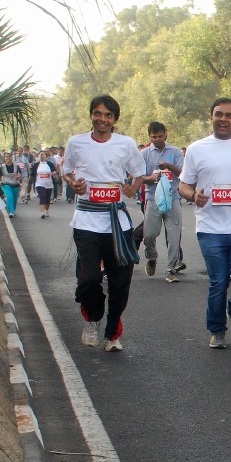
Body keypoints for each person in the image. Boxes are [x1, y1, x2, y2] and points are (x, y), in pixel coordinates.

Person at [62, 95, 147, 352]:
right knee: (88, 278)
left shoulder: (126, 143)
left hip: (117, 225)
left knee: (120, 283)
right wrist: (72, 184)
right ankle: (93, 320)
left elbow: (139, 172)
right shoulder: (76, 143)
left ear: (115, 120)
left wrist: (133, 187)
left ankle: (112, 334)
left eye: (108, 115)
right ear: (91, 115)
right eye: (98, 114)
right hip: (86, 221)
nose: (102, 119)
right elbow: (66, 170)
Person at [179, 98, 231, 349]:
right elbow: (183, 185)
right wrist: (193, 196)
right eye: (218, 115)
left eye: (228, 115)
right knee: (218, 281)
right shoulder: (197, 149)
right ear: (211, 118)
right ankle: (216, 330)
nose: (223, 119)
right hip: (210, 229)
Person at [140, 122, 186, 283]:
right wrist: (151, 178)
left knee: (174, 236)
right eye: (154, 137)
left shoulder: (174, 152)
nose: (157, 139)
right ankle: (151, 258)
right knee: (149, 234)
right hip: (153, 199)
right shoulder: (144, 154)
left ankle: (171, 270)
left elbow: (183, 173)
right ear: (149, 137)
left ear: (166, 134)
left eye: (160, 136)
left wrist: (169, 166)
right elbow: (138, 178)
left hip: (173, 198)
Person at [0, 152, 21, 218]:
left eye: (9, 156)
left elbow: (19, 173)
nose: (8, 158)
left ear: (11, 157)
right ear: (4, 158)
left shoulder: (16, 166)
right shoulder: (2, 167)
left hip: (15, 183)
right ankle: (11, 211)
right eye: (6, 157)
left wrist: (18, 176)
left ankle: (13, 210)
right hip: (6, 183)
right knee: (9, 196)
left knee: (15, 199)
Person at [33, 150, 57, 218]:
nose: (42, 156)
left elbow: (55, 171)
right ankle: (42, 212)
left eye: (43, 155)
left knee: (47, 198)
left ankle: (46, 210)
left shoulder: (49, 164)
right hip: (39, 183)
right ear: (38, 156)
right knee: (42, 196)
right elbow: (32, 175)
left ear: (46, 156)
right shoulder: (36, 165)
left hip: (49, 183)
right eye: (40, 154)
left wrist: (52, 173)